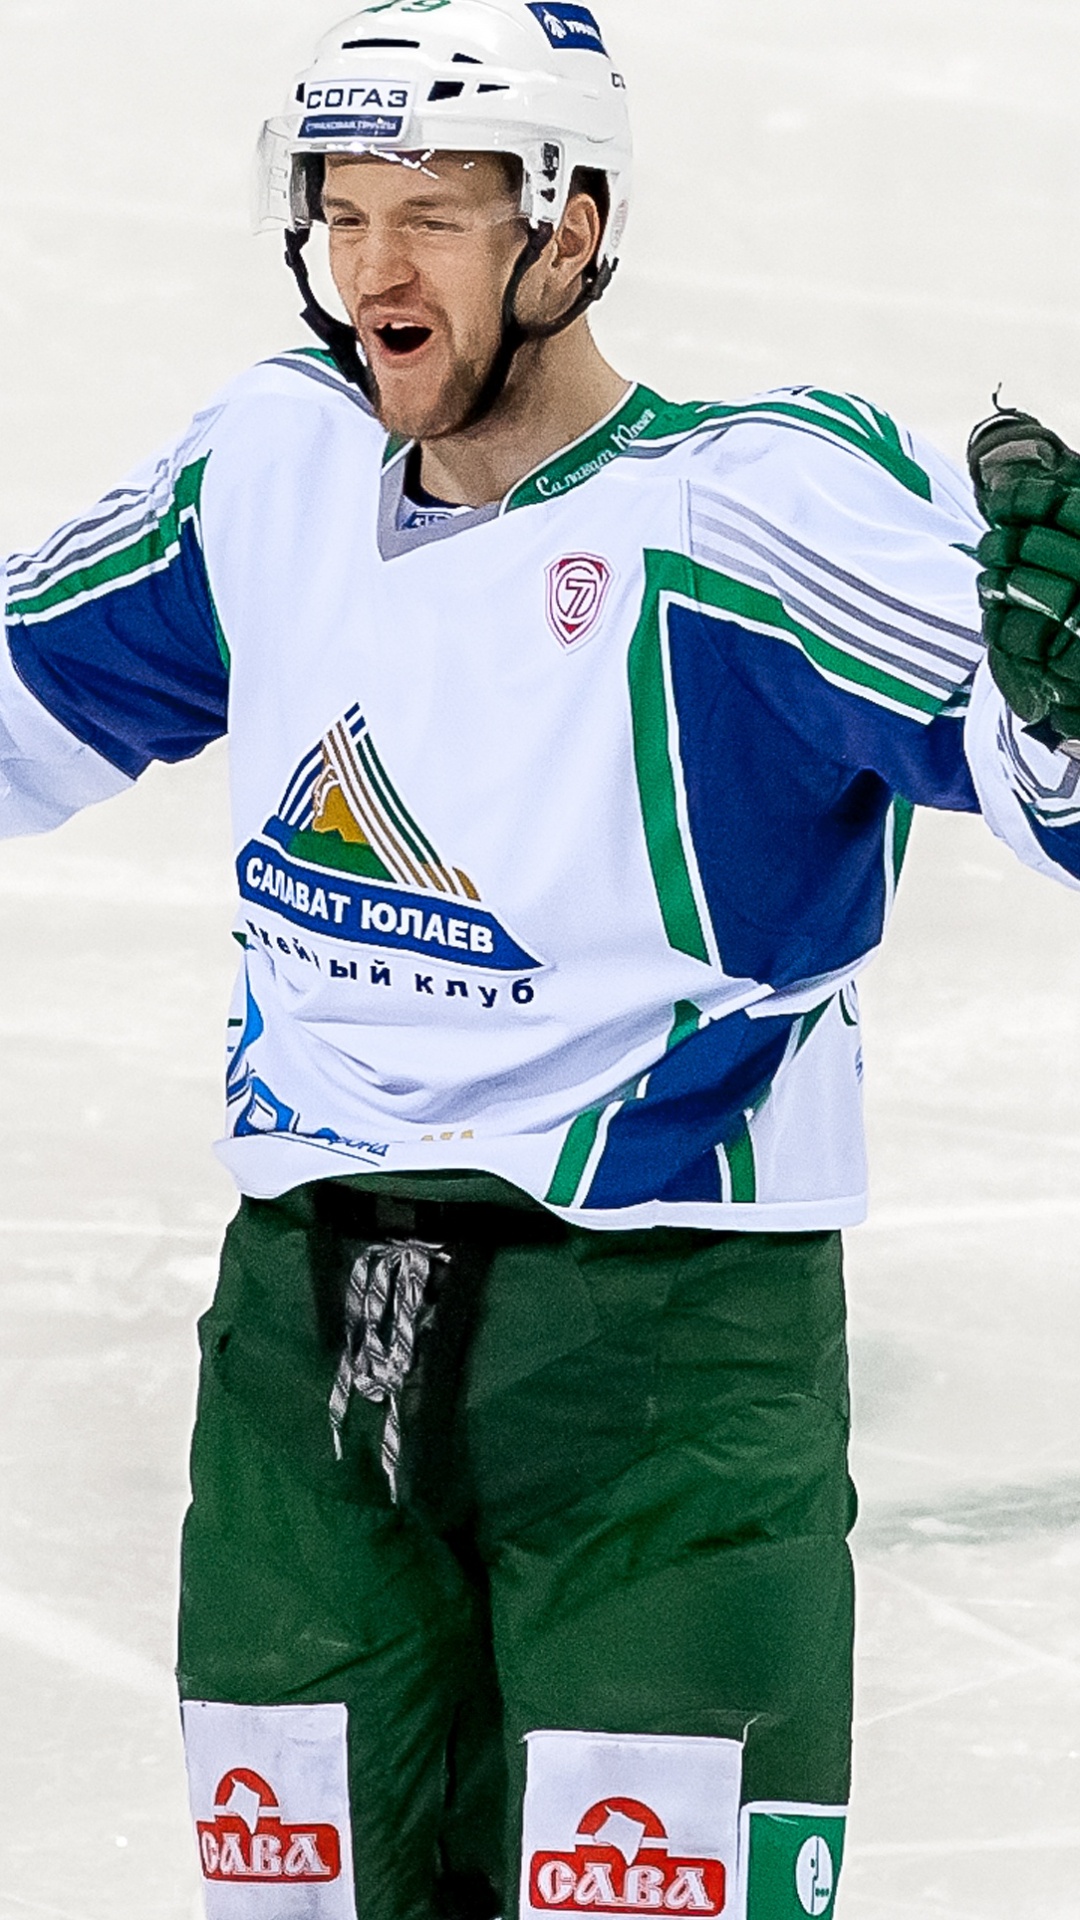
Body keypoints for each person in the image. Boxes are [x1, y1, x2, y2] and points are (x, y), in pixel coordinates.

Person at [1, 4, 1077, 1916]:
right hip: (308, 1350)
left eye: (434, 211)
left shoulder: (754, 512)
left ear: (570, 229)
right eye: (344, 213)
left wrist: (1070, 711)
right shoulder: (267, 467)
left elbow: (1032, 764)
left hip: (662, 1365)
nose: (376, 270)